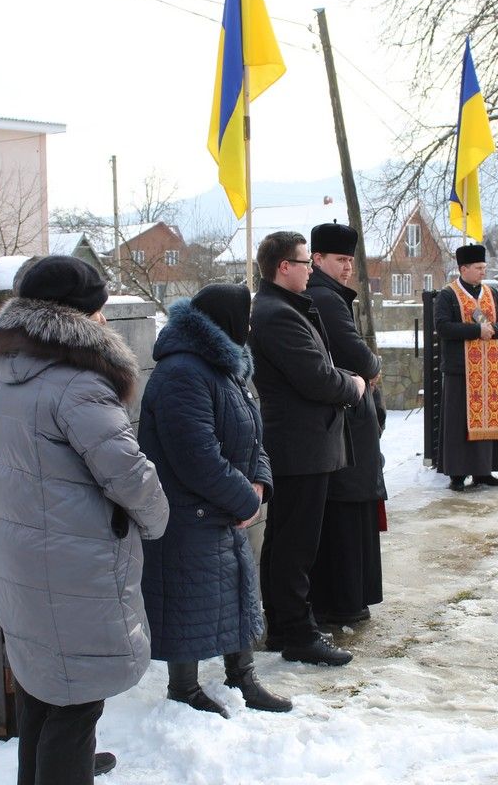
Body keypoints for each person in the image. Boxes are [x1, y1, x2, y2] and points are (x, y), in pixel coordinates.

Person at [0, 256, 169, 785]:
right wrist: (157, 520)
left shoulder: (11, 372)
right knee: (76, 705)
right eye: (100, 311)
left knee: (45, 691)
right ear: (78, 316)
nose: (106, 322)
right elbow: (128, 472)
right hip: (71, 563)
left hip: (29, 556)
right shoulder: (76, 384)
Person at [138, 284, 292, 718]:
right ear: (223, 322)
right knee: (187, 598)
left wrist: (259, 483)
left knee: (234, 594)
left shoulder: (225, 368)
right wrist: (246, 500)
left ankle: (241, 676)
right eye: (244, 320)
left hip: (220, 508)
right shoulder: (183, 372)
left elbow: (253, 436)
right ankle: (183, 690)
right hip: (187, 512)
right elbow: (195, 455)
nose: (248, 328)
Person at [249, 230, 366, 666]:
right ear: (284, 267)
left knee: (286, 540)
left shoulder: (285, 307)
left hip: (303, 443)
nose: (309, 269)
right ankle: (297, 632)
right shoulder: (276, 313)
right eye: (304, 262)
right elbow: (316, 377)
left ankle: (284, 625)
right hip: (299, 445)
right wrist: (353, 386)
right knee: (296, 544)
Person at [303, 222, 387, 626]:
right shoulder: (326, 298)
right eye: (340, 260)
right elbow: (352, 350)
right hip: (346, 422)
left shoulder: (327, 295)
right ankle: (345, 602)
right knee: (346, 515)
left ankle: (344, 600)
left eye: (351, 260)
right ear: (317, 260)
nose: (347, 267)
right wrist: (373, 365)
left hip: (345, 419)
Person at [434, 243, 498, 490]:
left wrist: (495, 330)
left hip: (490, 367)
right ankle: (457, 474)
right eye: (479, 268)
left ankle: (484, 471)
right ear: (464, 268)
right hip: (462, 370)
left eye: (484, 267)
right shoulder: (448, 294)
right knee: (459, 422)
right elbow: (443, 326)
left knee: (490, 418)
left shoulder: (491, 293)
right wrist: (475, 330)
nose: (483, 272)